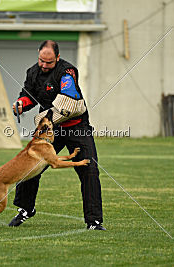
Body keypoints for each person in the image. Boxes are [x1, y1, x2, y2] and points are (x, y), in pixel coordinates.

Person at [10, 40, 105, 230]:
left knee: (89, 170)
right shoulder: (33, 72)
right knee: (28, 166)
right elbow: (28, 95)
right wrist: (21, 103)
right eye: (41, 61)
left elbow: (67, 99)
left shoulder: (67, 72)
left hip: (77, 126)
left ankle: (94, 221)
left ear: (58, 58)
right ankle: (26, 209)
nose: (44, 66)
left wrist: (44, 118)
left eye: (49, 62)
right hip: (51, 129)